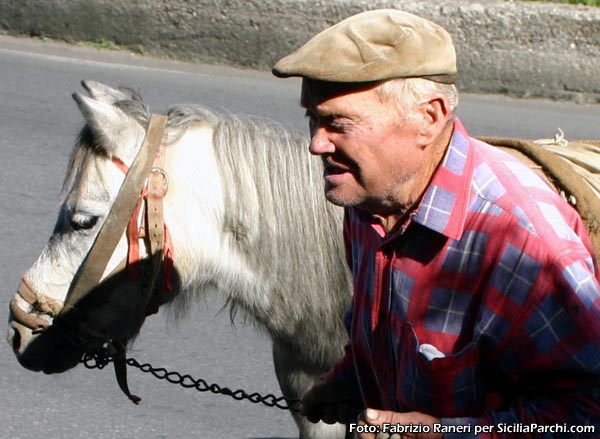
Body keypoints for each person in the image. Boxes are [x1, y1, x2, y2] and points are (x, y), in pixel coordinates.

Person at [272, 8, 600, 439]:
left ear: (428, 117)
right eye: (312, 119)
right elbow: (387, 331)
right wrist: (349, 379)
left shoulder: (523, 243)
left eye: (339, 124)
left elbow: (589, 415)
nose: (317, 144)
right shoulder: (370, 202)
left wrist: (451, 434)